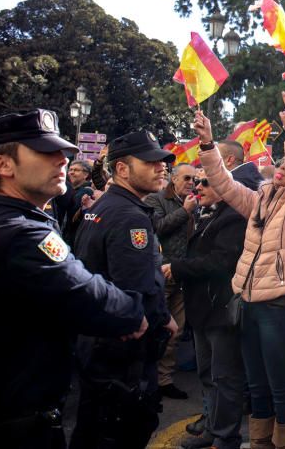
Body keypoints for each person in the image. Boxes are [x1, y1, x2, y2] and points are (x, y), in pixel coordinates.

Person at [0, 109, 146, 447]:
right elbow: (88, 296)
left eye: (62, 152)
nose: (62, 160)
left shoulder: (9, 218)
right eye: (46, 152)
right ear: (3, 165)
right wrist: (135, 311)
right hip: (12, 422)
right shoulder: (20, 232)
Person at [193, 94, 285, 449]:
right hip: (248, 301)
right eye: (278, 163)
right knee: (256, 383)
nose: (281, 167)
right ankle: (261, 441)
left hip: (280, 305)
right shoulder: (259, 199)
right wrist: (207, 142)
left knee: (280, 382)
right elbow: (223, 183)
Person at [71, 131, 179, 449]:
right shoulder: (131, 216)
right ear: (122, 169)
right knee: (120, 430)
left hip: (99, 343)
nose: (162, 168)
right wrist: (161, 319)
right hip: (120, 351)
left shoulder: (107, 206)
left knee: (93, 427)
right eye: (150, 162)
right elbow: (136, 287)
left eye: (163, 162)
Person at [166, 176, 246, 449]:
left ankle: (226, 438)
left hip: (219, 310)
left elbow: (220, 262)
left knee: (224, 377)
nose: (197, 187)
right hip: (202, 310)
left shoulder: (233, 218)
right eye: (196, 181)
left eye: (204, 182)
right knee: (207, 375)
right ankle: (213, 429)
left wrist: (177, 267)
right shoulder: (207, 214)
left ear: (224, 190)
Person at [144, 162, 197, 400]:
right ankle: (146, 380)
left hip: (182, 275)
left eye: (194, 179)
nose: (191, 183)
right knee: (156, 328)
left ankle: (164, 379)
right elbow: (157, 228)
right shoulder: (156, 199)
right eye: (186, 178)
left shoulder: (197, 201)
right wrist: (184, 212)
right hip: (161, 273)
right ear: (173, 179)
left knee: (176, 331)